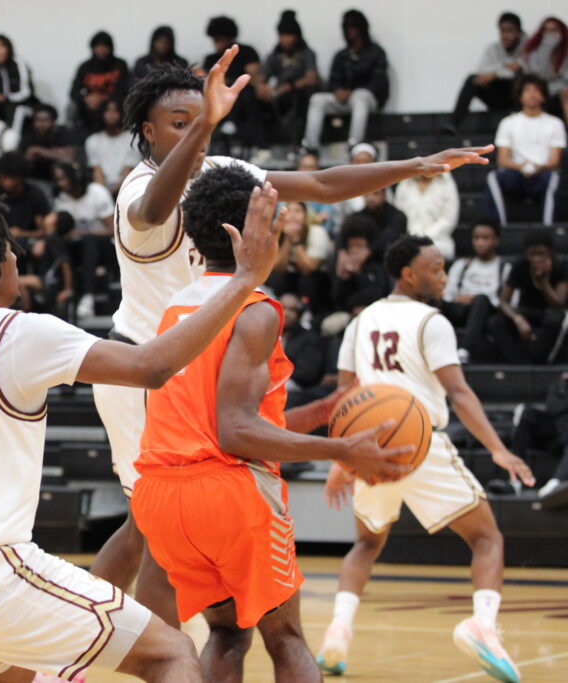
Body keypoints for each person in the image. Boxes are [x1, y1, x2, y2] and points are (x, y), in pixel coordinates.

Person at [91, 56, 492, 627]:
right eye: (179, 123)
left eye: (197, 119)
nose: (193, 129)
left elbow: (325, 184)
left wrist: (415, 165)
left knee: (154, 523)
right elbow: (156, 208)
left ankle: (147, 642)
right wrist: (206, 124)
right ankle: (94, 649)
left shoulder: (219, 167)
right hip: (143, 369)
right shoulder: (137, 192)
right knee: (149, 522)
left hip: (199, 362)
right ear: (149, 133)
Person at [0, 177, 284, 682]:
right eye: (8, 249)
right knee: (171, 653)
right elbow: (152, 366)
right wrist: (244, 281)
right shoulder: (19, 333)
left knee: (22, 673)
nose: (17, 258)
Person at [132, 165, 405, 682]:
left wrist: (323, 413)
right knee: (286, 637)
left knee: (228, 633)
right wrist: (341, 450)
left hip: (164, 496)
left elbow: (207, 417)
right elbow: (235, 432)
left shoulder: (174, 308)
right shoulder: (255, 311)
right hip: (229, 494)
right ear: (258, 232)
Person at [317, 235, 535, 682]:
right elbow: (458, 393)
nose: (442, 275)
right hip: (418, 443)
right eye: (435, 268)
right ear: (408, 275)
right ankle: (484, 627)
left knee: (367, 543)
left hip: (368, 448)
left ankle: (337, 631)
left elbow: (342, 397)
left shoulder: (362, 321)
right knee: (486, 539)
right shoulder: (431, 321)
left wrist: (343, 457)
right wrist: (498, 448)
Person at [485, 75, 565, 226]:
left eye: (536, 91)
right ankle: (498, 227)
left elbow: (555, 160)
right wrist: (521, 166)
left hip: (542, 173)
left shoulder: (555, 124)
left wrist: (538, 167)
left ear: (543, 96)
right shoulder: (508, 123)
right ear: (520, 96)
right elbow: (502, 159)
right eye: (527, 90)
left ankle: (549, 227)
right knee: (493, 177)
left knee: (553, 178)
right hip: (517, 173)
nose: (532, 94)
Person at [303, 9, 389, 150]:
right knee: (317, 99)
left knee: (359, 96)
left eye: (354, 27)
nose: (351, 32)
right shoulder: (341, 55)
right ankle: (310, 147)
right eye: (347, 28)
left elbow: (379, 84)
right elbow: (333, 80)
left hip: (369, 99)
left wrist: (352, 91)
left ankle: (354, 144)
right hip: (344, 100)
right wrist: (337, 91)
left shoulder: (376, 53)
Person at [487, 228, 568, 364]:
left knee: (554, 321)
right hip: (527, 311)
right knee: (496, 322)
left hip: (551, 313)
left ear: (550, 252)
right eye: (532, 254)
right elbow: (503, 301)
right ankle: (520, 364)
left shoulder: (561, 265)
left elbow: (558, 304)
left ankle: (540, 363)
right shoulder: (520, 265)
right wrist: (518, 319)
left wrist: (544, 281)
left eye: (541, 254)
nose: (537, 259)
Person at [51, 162, 116, 319]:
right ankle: (65, 292)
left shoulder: (97, 192)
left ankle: (87, 297)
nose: (61, 184)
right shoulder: (61, 199)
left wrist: (84, 232)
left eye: (63, 179)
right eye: (57, 180)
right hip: (76, 246)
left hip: (103, 247)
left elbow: (113, 230)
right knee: (56, 240)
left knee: (88, 240)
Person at [441, 218, 509, 363]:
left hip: (487, 310)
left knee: (481, 300)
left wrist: (476, 298)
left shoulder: (504, 267)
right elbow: (448, 295)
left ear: (496, 240)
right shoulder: (461, 265)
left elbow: (506, 300)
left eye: (486, 238)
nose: (481, 243)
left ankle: (465, 349)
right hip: (462, 309)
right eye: (476, 238)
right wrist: (457, 299)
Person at [447, 13, 524, 134]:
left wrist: (495, 73)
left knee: (522, 79)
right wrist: (503, 70)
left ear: (519, 32)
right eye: (502, 31)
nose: (505, 35)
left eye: (510, 31)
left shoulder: (528, 47)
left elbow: (525, 70)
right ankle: (453, 124)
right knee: (472, 79)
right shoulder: (493, 48)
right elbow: (482, 71)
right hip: (497, 95)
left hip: (516, 97)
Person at [258, 10, 320, 147]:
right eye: (282, 35)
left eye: (289, 35)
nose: (285, 39)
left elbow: (312, 79)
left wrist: (289, 87)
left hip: (301, 95)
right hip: (280, 97)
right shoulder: (275, 56)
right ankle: (262, 145)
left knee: (303, 98)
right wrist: (263, 89)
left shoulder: (306, 53)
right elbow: (261, 78)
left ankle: (301, 144)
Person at [200, 16, 262, 151]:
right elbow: (206, 79)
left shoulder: (246, 51)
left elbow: (253, 76)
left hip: (244, 93)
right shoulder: (211, 59)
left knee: (245, 95)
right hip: (218, 95)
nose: (216, 43)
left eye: (218, 39)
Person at [268, 201, 332, 313]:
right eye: (288, 211)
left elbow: (309, 268)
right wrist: (288, 238)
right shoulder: (278, 234)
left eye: (297, 211)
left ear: (306, 214)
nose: (292, 215)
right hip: (289, 277)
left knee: (307, 281)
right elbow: (279, 268)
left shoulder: (316, 232)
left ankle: (309, 314)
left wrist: (296, 241)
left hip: (314, 279)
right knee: (275, 278)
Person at [71, 31, 130, 133]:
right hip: (90, 106)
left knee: (111, 107)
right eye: (98, 47)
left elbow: (124, 88)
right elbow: (74, 91)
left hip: (113, 103)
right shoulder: (85, 67)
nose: (101, 50)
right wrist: (86, 99)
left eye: (104, 47)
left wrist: (103, 98)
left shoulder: (120, 64)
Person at [394, 173, 459, 260]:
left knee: (427, 252)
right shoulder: (405, 182)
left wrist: (423, 238)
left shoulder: (446, 182)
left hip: (438, 240)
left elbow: (448, 220)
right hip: (407, 238)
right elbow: (399, 215)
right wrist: (412, 238)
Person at [331, 215, 390, 313]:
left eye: (359, 246)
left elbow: (378, 293)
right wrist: (345, 278)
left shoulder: (375, 268)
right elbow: (336, 299)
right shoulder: (341, 268)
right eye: (352, 246)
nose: (355, 251)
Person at [85, 99, 141, 196]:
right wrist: (103, 194)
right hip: (103, 189)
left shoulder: (133, 138)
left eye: (115, 110)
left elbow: (129, 170)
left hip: (129, 186)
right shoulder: (92, 141)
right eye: (107, 111)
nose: (111, 114)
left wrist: (116, 191)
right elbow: (97, 171)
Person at [520, 17, 568, 123]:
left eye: (554, 30)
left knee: (565, 94)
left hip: (562, 90)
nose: (550, 35)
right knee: (534, 92)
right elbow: (539, 76)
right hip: (542, 88)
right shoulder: (534, 51)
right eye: (547, 30)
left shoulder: (566, 51)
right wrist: (547, 48)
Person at [0, 34, 35, 126]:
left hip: (22, 104)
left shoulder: (19, 64)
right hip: (0, 105)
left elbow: (26, 92)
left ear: (8, 48)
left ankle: (11, 139)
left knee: (12, 109)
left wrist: (7, 98)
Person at [18, 104, 77, 183]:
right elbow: (27, 157)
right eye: (38, 120)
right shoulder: (28, 134)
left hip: (57, 180)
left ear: (54, 121)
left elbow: (69, 157)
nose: (41, 124)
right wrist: (55, 153)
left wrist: (38, 151)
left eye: (46, 120)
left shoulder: (63, 133)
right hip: (33, 178)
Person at [354, 187, 408, 261]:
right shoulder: (357, 217)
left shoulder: (398, 216)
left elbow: (390, 237)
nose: (370, 198)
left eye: (375, 193)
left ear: (384, 195)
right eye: (366, 194)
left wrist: (368, 250)